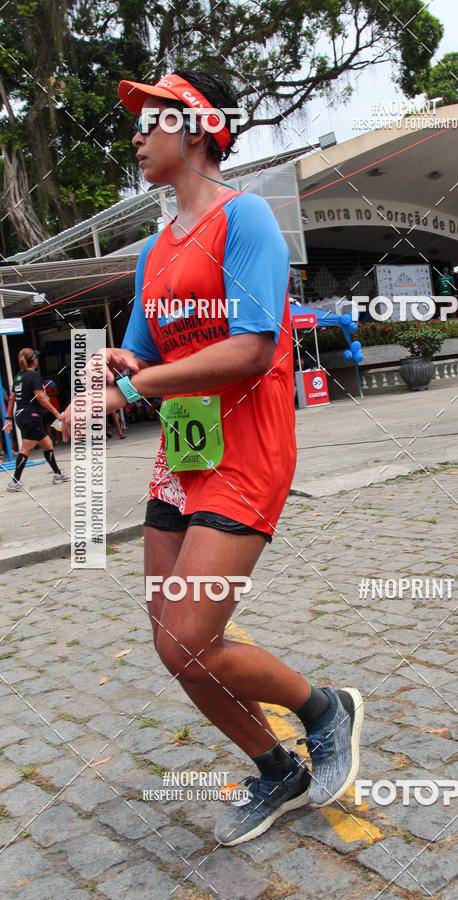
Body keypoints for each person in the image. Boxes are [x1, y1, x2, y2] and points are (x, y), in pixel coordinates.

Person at [63, 69, 363, 846]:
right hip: (183, 457)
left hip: (249, 453)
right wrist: (112, 374)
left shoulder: (246, 217)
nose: (136, 136)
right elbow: (140, 353)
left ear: (195, 128)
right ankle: (278, 769)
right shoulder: (155, 251)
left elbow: (253, 347)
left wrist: (133, 386)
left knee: (191, 635)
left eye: (151, 121)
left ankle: (325, 710)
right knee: (174, 648)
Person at [3, 348, 70, 491]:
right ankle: (15, 482)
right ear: (33, 359)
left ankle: (58, 474)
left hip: (22, 415)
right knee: (26, 449)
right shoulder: (34, 375)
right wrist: (56, 413)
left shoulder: (18, 377)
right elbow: (40, 397)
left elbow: (12, 399)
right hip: (31, 416)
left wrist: (8, 418)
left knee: (47, 444)